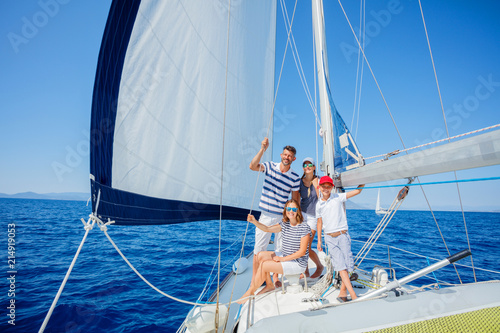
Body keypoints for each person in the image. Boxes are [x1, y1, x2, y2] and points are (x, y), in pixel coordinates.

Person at [237, 200, 311, 304]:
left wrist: (282, 259)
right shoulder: (285, 224)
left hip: (297, 263)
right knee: (260, 256)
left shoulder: (304, 227)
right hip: (286, 256)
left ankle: (250, 292)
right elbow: (267, 229)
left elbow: (302, 252)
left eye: (294, 209)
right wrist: (254, 221)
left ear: (298, 211)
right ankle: (269, 285)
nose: (291, 211)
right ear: (285, 211)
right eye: (288, 209)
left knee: (264, 265)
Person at [249, 137, 300, 281]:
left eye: (289, 156)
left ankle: (275, 278)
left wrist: (294, 219)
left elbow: (295, 200)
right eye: (285, 154)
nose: (287, 157)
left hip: (283, 218)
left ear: (293, 159)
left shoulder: (295, 177)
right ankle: (256, 279)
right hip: (265, 215)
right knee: (258, 249)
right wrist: (262, 150)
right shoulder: (270, 166)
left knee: (280, 249)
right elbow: (252, 166)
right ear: (281, 155)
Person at [316, 175, 364, 302]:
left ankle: (343, 291)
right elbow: (319, 222)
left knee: (348, 265)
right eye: (323, 186)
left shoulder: (338, 197)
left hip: (342, 235)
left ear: (332, 187)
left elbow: (357, 191)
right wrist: (319, 240)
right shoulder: (318, 204)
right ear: (319, 187)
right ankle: (353, 294)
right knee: (340, 266)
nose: (326, 188)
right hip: (329, 238)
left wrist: (363, 180)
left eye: (328, 186)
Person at [299, 157, 324, 279]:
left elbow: (322, 200)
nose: (307, 166)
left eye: (309, 164)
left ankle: (319, 266)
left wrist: (317, 187)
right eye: (304, 165)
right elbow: (297, 200)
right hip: (302, 215)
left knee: (307, 245)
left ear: (314, 167)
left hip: (314, 216)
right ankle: (305, 271)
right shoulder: (299, 182)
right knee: (301, 245)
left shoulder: (319, 181)